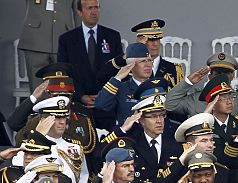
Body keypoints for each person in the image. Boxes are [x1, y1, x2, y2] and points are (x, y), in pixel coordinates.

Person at [56, 0, 124, 128]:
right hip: (79, 105)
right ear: (79, 12)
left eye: (97, 7)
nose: (94, 12)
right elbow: (64, 73)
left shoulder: (112, 36)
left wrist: (104, 95)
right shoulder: (67, 39)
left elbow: (119, 70)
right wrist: (81, 96)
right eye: (89, 8)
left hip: (106, 105)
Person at [164, 53, 238, 121]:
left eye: (226, 73)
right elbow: (169, 105)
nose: (222, 77)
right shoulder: (196, 99)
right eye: (218, 73)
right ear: (210, 76)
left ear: (233, 75)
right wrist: (188, 82)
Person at [94, 43, 160, 126]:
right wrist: (117, 78)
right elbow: (101, 105)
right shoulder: (122, 89)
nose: (148, 65)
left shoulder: (159, 87)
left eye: (150, 60)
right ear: (131, 65)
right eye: (143, 61)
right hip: (130, 136)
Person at [18, 0, 76, 87]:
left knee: (63, 88)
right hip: (35, 40)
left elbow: (80, 10)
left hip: (63, 37)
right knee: (37, 89)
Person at [130, 19, 184, 89]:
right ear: (140, 42)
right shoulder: (131, 68)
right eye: (150, 40)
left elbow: (179, 97)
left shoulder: (174, 68)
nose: (155, 44)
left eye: (157, 39)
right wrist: (136, 49)